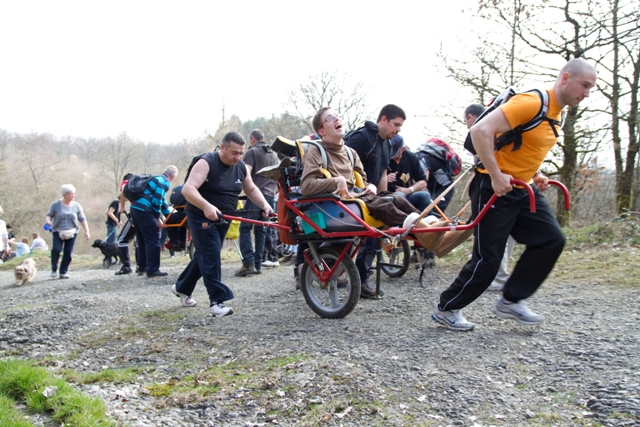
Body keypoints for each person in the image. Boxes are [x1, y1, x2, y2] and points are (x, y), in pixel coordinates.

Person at [432, 58, 597, 331]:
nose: (587, 93)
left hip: (522, 188)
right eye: (585, 85)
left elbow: (522, 148)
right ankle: (446, 308)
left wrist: (536, 174)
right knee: (489, 259)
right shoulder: (532, 102)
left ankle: (512, 299)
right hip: (493, 188)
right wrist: (496, 175)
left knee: (551, 240)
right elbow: (479, 131)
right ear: (565, 78)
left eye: (590, 88)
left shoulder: (559, 114)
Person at [301, 107, 447, 298]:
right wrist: (336, 181)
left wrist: (370, 185)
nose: (337, 118)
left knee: (397, 198)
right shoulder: (316, 151)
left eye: (337, 115)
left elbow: (363, 178)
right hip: (337, 204)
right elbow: (307, 186)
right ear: (321, 130)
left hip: (358, 196)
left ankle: (431, 227)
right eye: (330, 118)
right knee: (382, 205)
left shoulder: (350, 152)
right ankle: (423, 233)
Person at [171, 132, 274, 316]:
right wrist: (206, 206)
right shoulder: (206, 162)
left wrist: (264, 204)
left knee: (205, 254)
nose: (238, 157)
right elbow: (188, 189)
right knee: (210, 254)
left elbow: (250, 188)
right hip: (201, 215)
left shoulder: (240, 166)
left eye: (241, 153)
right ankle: (216, 302)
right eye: (234, 152)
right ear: (222, 147)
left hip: (223, 216)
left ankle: (182, 287)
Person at [345, 104, 406, 294]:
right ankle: (359, 279)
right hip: (354, 195)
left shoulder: (388, 144)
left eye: (400, 127)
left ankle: (427, 226)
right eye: (396, 124)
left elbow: (382, 173)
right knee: (364, 236)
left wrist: (384, 197)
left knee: (396, 201)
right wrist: (360, 191)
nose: (398, 130)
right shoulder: (361, 138)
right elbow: (343, 166)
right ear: (383, 119)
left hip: (372, 194)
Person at [465, 103, 515, 292]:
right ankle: (498, 275)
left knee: (489, 232)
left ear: (471, 117)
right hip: (507, 183)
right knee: (502, 232)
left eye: (466, 121)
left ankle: (494, 276)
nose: (467, 126)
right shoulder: (504, 129)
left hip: (495, 185)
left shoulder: (484, 132)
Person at [235, 129, 279, 276]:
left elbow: (245, 172)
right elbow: (279, 177)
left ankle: (248, 264)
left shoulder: (252, 152)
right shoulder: (274, 154)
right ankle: (258, 264)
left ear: (252, 138)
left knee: (245, 228)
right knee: (261, 230)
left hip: (256, 195)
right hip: (270, 197)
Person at [130, 165, 178, 278]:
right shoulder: (165, 182)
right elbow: (156, 201)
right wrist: (158, 219)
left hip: (135, 208)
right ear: (173, 176)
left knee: (141, 239)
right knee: (154, 239)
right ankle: (152, 269)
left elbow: (162, 201)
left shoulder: (156, 179)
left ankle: (142, 268)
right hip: (145, 210)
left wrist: (169, 216)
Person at [45, 184, 91, 279]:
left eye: (74, 194)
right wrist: (48, 221)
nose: (73, 196)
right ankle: (54, 268)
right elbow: (49, 214)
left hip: (72, 232)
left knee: (68, 252)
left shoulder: (77, 206)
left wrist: (87, 231)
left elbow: (82, 219)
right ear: (65, 194)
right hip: (58, 231)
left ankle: (63, 271)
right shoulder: (55, 205)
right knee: (56, 249)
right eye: (71, 194)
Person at [115, 173, 138, 275]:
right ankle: (141, 266)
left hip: (136, 214)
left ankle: (126, 266)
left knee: (122, 240)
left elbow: (124, 189)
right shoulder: (142, 185)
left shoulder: (127, 183)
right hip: (149, 214)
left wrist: (122, 207)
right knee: (140, 241)